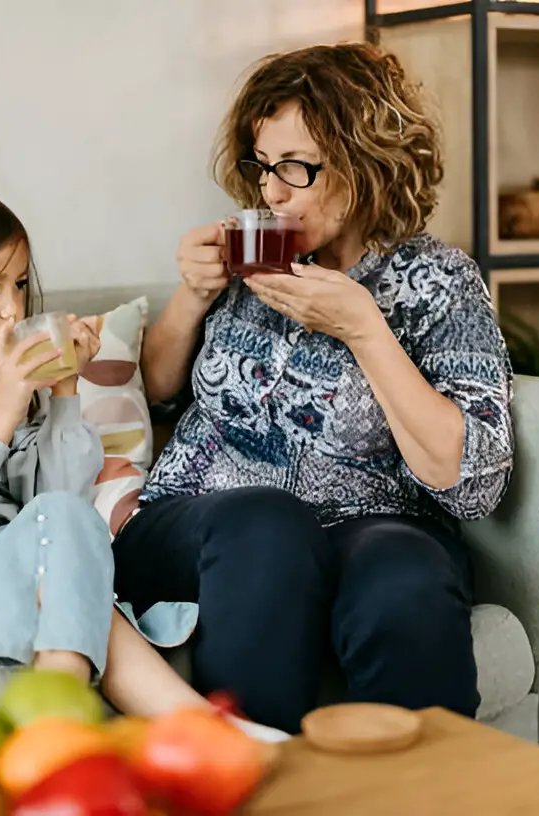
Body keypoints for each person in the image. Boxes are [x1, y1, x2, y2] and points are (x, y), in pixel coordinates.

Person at [113, 43, 515, 734]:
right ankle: (259, 787)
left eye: (295, 168)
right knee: (266, 524)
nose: (271, 192)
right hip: (203, 520)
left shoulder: (440, 284)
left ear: (367, 160)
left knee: (406, 575)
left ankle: (430, 794)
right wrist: (191, 294)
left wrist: (365, 330)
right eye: (263, 167)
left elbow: (471, 483)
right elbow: (151, 391)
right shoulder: (253, 254)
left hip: (369, 519)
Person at [0, 183, 287, 739]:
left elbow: (60, 504)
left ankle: (82, 725)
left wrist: (66, 389)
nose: (13, 308)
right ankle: (189, 731)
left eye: (19, 284)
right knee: (70, 582)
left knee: (73, 527)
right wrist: (2, 413)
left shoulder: (4, 382)